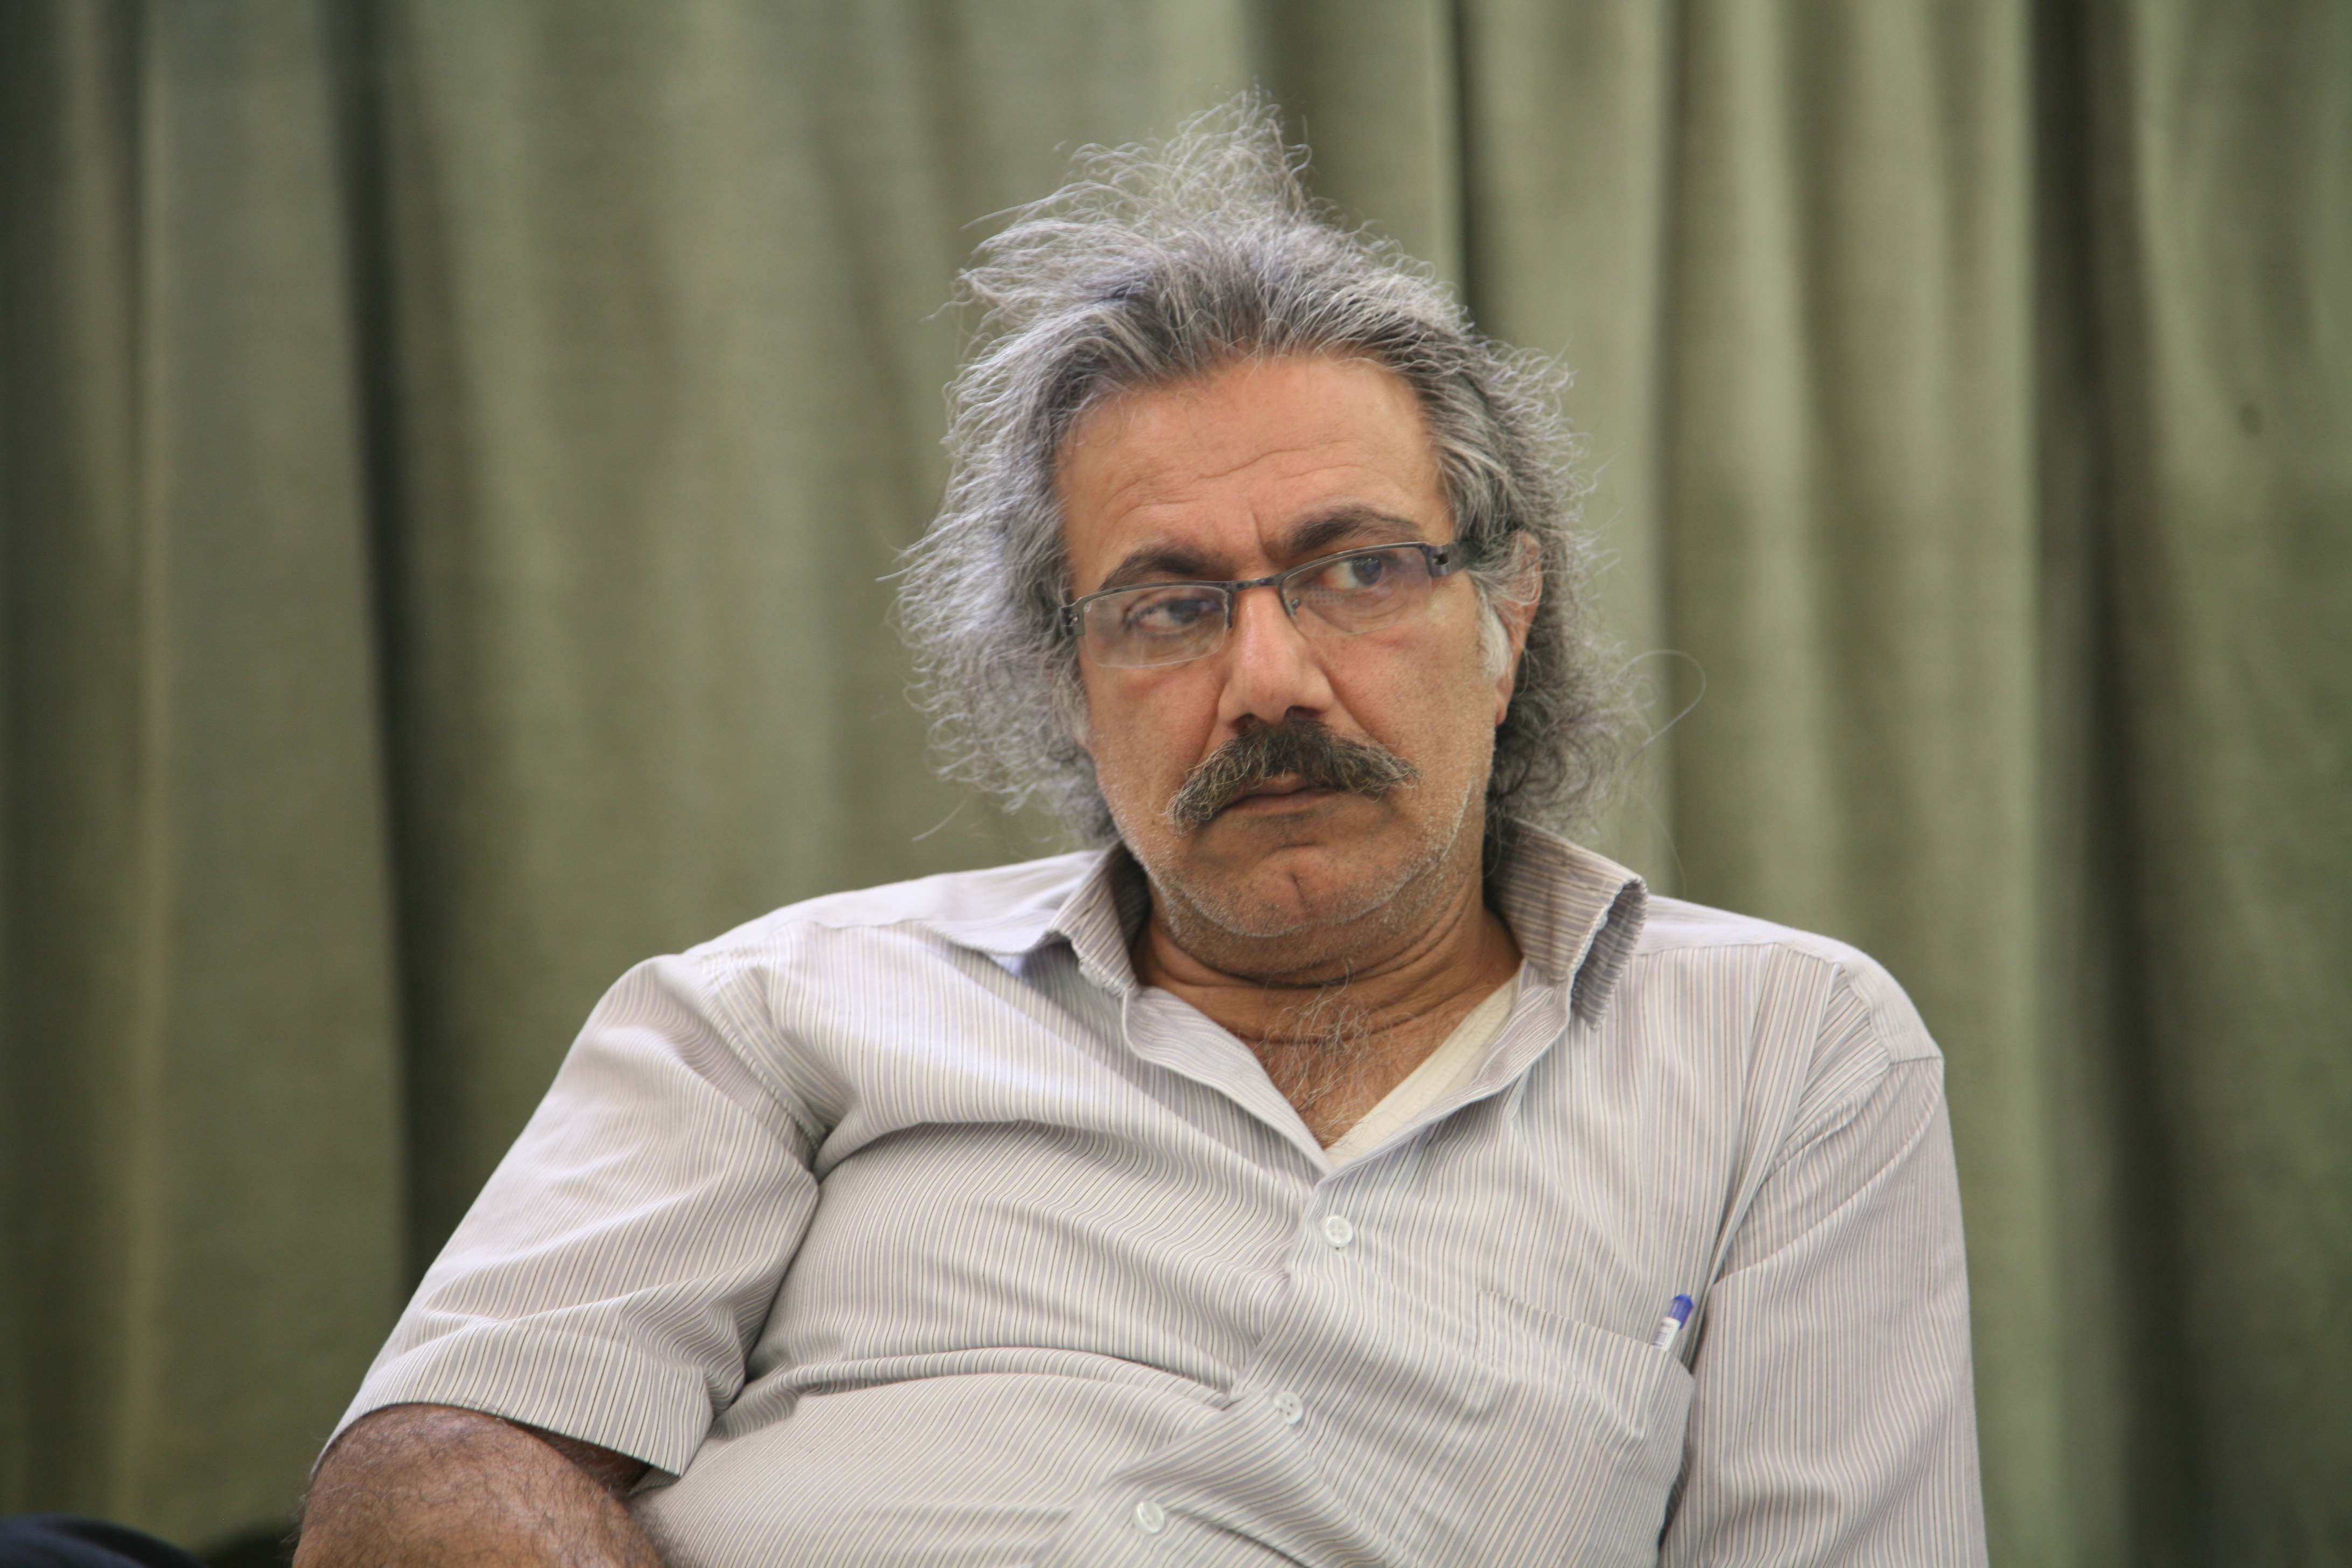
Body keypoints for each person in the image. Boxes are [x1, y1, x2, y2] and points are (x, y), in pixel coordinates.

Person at [293, 104, 1986, 1568]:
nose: (1270, 680)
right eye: (1169, 606)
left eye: (1359, 569)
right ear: (1068, 683)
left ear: (1507, 613)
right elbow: (433, 1472)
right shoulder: (772, 1011)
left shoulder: (1783, 1054)